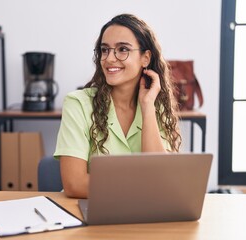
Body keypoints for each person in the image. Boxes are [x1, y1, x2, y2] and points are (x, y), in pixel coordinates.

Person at [54, 13, 181, 198]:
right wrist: (143, 187)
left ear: (145, 58)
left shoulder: (155, 108)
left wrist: (147, 106)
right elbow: (75, 184)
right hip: (89, 211)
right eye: (105, 50)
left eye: (122, 49)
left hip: (143, 213)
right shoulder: (78, 104)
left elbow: (160, 177)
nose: (110, 58)